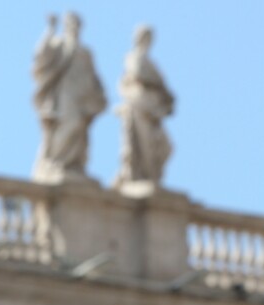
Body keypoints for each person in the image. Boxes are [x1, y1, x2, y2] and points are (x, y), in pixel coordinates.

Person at [32, 12, 106, 183]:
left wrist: (99, 95)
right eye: (71, 24)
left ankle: (72, 166)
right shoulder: (60, 44)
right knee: (69, 124)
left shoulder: (86, 52)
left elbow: (94, 77)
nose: (74, 27)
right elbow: (42, 54)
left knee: (79, 130)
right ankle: (56, 163)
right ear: (65, 26)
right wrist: (50, 30)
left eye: (77, 24)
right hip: (65, 93)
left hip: (83, 97)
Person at [113, 25, 175, 187]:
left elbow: (162, 85)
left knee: (164, 147)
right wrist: (159, 85)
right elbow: (138, 73)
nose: (148, 40)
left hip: (153, 110)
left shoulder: (150, 62)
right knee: (145, 146)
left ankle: (149, 176)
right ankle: (142, 177)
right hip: (141, 106)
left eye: (150, 37)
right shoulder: (134, 57)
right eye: (145, 37)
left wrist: (165, 96)